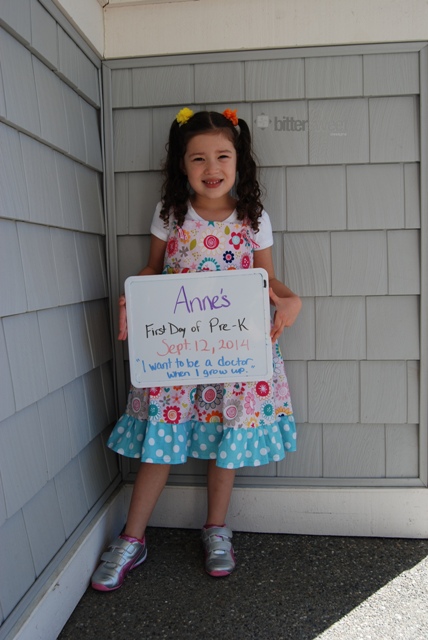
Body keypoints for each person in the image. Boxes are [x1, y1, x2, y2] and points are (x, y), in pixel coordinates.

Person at [91, 108, 302, 591]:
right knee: (160, 440)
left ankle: (216, 528)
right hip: (176, 352)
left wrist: (291, 299)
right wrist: (133, 297)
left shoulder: (252, 219)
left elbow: (267, 279)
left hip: (235, 351)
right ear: (182, 165)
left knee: (226, 439)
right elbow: (152, 269)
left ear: (238, 161)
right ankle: (132, 537)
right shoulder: (170, 215)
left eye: (222, 156)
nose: (212, 167)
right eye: (198, 158)